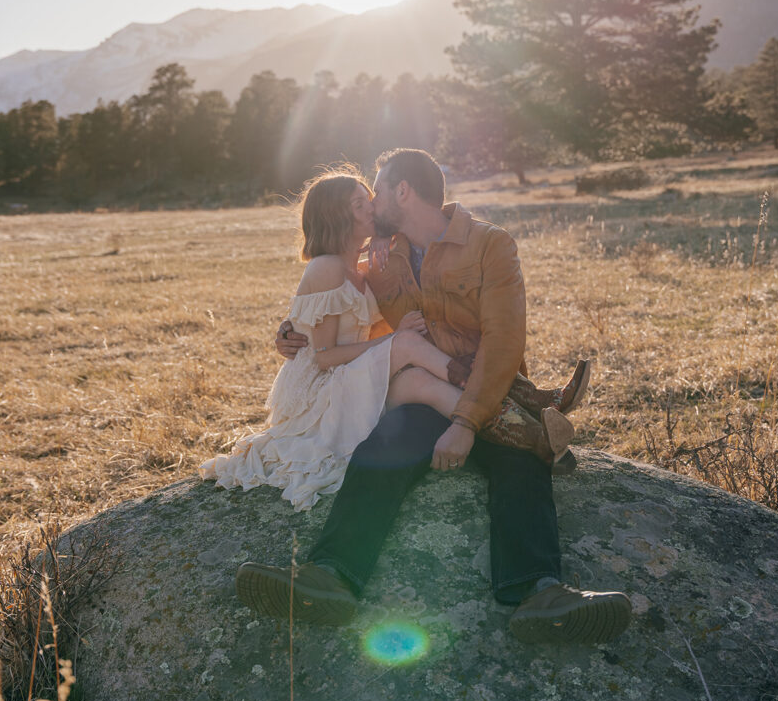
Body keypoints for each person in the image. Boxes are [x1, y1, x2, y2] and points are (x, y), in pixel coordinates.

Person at [236, 150, 632, 644]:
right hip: (423, 393)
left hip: (486, 386)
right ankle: (330, 577)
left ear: (403, 192)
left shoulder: (491, 245)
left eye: (377, 190)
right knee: (382, 446)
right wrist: (289, 334)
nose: (372, 200)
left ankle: (538, 594)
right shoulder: (383, 257)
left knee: (519, 461)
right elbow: (337, 307)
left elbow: (504, 341)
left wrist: (466, 424)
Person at [200, 168, 573, 511]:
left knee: (417, 380)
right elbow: (324, 355)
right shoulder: (328, 267)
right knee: (406, 346)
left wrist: (381, 235)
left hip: (349, 377)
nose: (373, 206)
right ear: (338, 217)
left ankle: (532, 429)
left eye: (370, 197)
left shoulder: (363, 269)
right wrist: (388, 342)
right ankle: (530, 419)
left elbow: (322, 312)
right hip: (321, 391)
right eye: (361, 204)